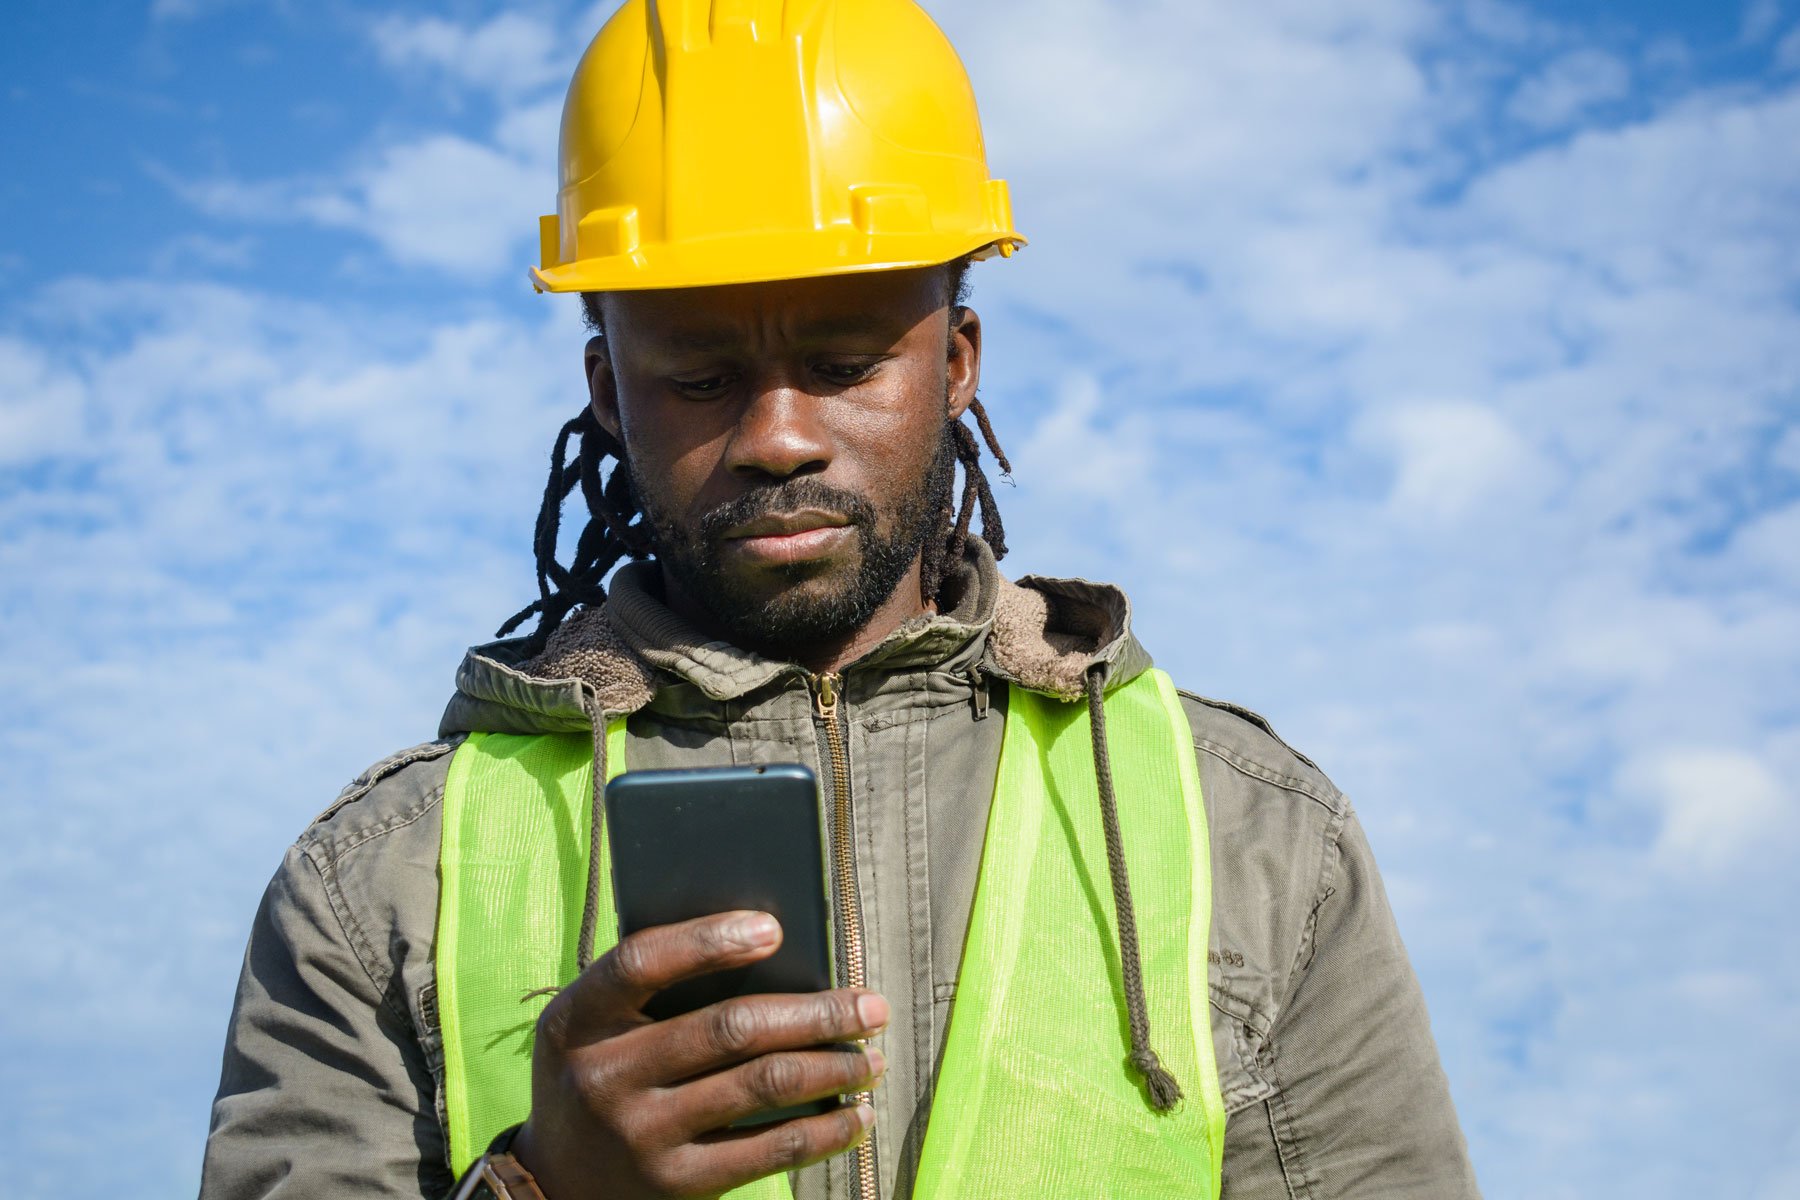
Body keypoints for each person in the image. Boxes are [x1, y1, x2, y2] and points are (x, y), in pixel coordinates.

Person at [199, 1, 1480, 1197]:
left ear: (957, 360)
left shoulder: (1255, 838)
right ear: (607, 387)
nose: (777, 436)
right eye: (700, 376)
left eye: (842, 363)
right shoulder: (379, 884)